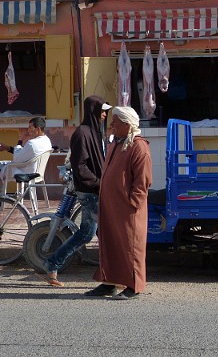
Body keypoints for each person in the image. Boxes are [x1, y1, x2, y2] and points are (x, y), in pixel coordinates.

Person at [40, 96, 111, 287]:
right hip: (90, 191)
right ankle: (112, 274)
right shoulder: (82, 134)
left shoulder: (95, 131)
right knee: (107, 233)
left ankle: (52, 264)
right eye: (102, 110)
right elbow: (80, 166)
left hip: (94, 190)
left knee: (87, 234)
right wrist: (98, 183)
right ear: (93, 110)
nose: (104, 114)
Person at [85, 106, 152, 300]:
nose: (111, 124)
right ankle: (109, 283)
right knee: (110, 244)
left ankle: (134, 286)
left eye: (116, 121)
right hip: (111, 206)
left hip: (128, 208)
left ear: (127, 124)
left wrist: (132, 204)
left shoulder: (138, 146)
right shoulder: (116, 143)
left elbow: (142, 181)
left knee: (131, 247)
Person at [0, 117, 53, 196]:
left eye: (30, 127)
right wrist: (8, 148)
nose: (28, 130)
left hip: (22, 172)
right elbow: (23, 154)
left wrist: (21, 140)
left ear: (38, 129)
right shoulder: (47, 141)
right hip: (34, 171)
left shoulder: (32, 143)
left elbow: (17, 158)